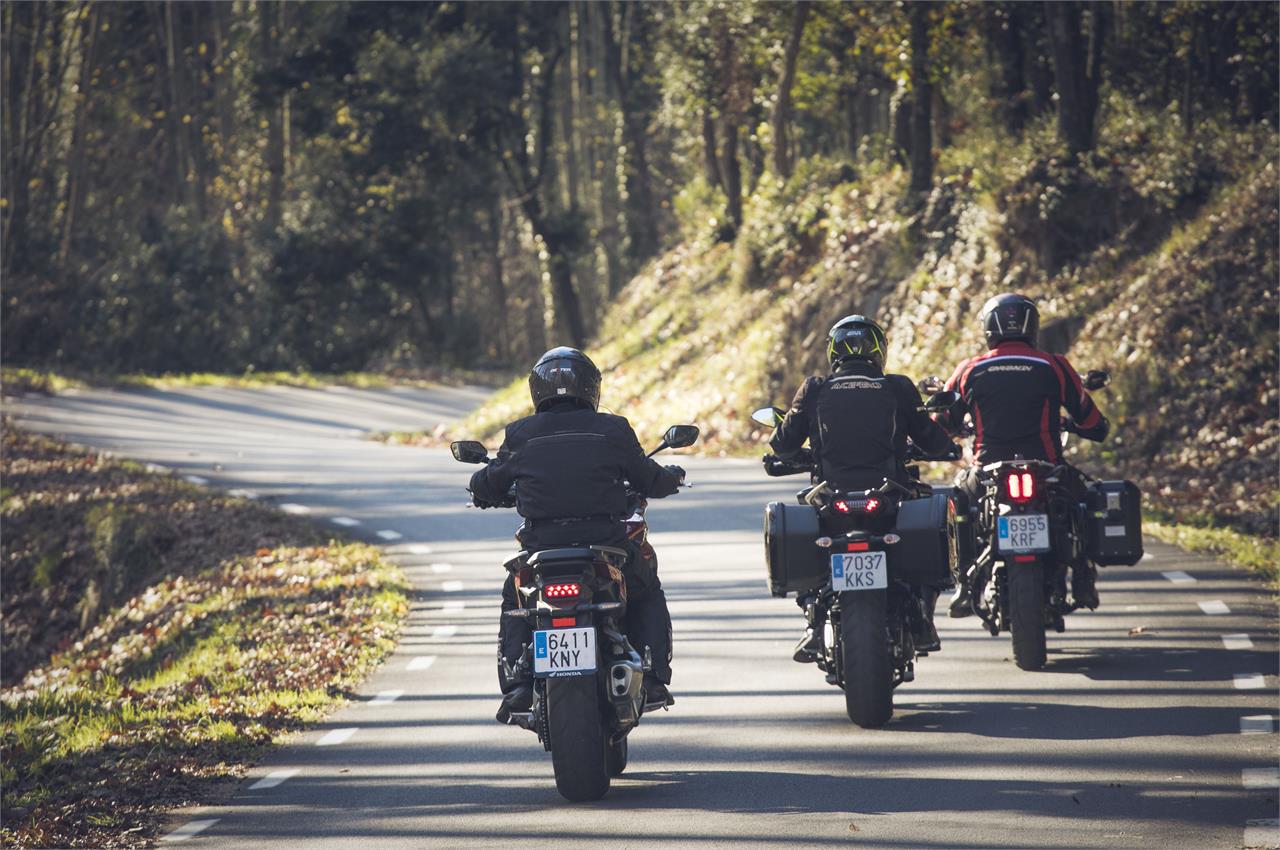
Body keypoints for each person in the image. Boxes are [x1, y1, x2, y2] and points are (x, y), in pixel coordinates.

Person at [469, 346, 685, 724]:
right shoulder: (612, 428)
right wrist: (672, 477)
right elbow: (650, 478)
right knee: (646, 589)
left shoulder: (520, 433)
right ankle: (652, 677)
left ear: (536, 390)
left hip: (541, 549)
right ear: (591, 388)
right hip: (605, 544)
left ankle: (518, 682)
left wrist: (483, 490)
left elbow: (486, 482)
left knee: (515, 601)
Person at [770, 315, 955, 659]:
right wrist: (941, 445)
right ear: (879, 350)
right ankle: (925, 620)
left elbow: (782, 446)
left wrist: (797, 449)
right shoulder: (898, 387)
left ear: (833, 352)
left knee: (810, 540)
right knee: (926, 525)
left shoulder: (814, 388)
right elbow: (934, 443)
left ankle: (812, 624)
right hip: (889, 497)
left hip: (831, 499)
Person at [935, 292, 1109, 616]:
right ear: (1033, 327)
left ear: (988, 328)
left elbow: (941, 424)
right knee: (1082, 499)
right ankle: (1085, 576)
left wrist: (947, 437)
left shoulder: (969, 369)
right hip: (1049, 469)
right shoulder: (1055, 365)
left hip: (987, 470)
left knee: (958, 499)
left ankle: (963, 585)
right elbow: (1092, 421)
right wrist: (1082, 425)